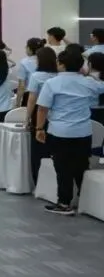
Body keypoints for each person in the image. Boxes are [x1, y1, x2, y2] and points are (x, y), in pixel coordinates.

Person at [34, 47, 104, 215]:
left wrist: (39, 128)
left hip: (60, 131)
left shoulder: (52, 83)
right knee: (82, 166)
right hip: (83, 131)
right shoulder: (89, 82)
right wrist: (88, 74)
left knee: (62, 168)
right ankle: (85, 199)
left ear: (62, 64)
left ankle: (64, 203)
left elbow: (42, 109)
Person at [25, 46, 59, 183]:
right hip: (56, 114)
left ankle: (38, 180)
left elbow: (31, 100)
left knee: (38, 149)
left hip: (39, 114)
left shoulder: (36, 76)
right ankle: (52, 180)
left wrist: (27, 117)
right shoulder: (58, 76)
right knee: (53, 148)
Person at [17, 38, 45, 104]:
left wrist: (17, 102)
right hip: (44, 95)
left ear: (30, 49)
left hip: (30, 96)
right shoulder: (47, 60)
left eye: (26, 46)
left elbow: (22, 86)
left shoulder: (24, 62)